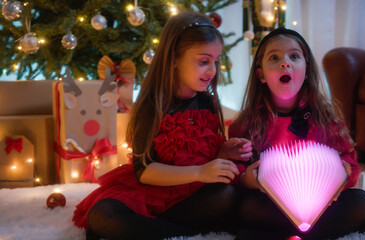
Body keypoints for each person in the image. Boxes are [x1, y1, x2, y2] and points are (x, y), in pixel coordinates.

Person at [72, 11, 252, 240]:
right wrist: (199, 171)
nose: (212, 71)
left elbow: (202, 156)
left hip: (191, 193)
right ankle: (185, 232)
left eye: (216, 62)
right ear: (174, 58)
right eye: (203, 61)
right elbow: (144, 171)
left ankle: (158, 230)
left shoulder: (207, 102)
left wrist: (223, 151)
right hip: (153, 189)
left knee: (226, 194)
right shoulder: (152, 106)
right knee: (103, 215)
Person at [228, 27, 365, 240]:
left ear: (307, 69)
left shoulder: (325, 118)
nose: (285, 62)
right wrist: (247, 180)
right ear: (260, 74)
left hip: (321, 206)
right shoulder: (246, 124)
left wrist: (343, 176)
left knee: (361, 201)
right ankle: (341, 230)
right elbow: (235, 169)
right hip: (271, 205)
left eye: (294, 56)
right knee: (247, 209)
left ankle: (271, 237)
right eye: (274, 57)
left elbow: (351, 163)